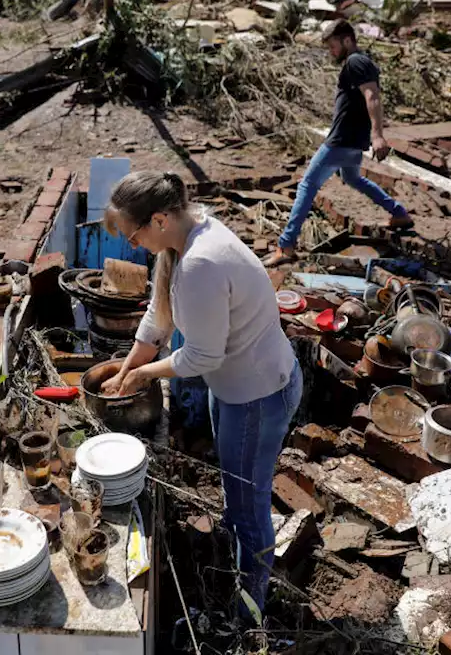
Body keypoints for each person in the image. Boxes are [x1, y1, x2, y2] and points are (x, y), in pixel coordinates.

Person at [100, 171, 303, 620]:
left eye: (133, 235)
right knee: (237, 491)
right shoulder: (186, 236)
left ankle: (248, 613)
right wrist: (129, 364)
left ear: (157, 219)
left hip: (258, 395)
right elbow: (159, 314)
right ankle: (239, 563)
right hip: (237, 388)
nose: (132, 246)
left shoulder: (200, 263)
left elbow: (201, 356)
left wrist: (141, 377)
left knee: (250, 506)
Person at [263, 20, 413, 267]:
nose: (332, 52)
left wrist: (378, 135)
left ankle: (286, 246)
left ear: (347, 40)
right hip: (352, 140)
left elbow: (372, 96)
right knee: (353, 179)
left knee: (307, 185)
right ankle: (398, 213)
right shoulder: (359, 63)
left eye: (333, 46)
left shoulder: (356, 62)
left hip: (342, 141)